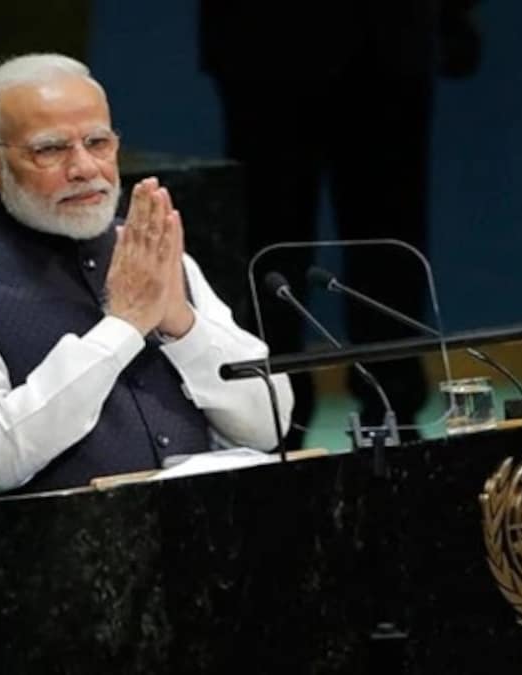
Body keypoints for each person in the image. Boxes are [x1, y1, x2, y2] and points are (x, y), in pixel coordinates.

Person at [0, 53, 293, 493]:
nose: (84, 168)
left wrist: (182, 326)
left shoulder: (146, 248)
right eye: (51, 149)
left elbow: (270, 425)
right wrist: (122, 327)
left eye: (98, 143)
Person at [200, 1, 480, 445]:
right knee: (271, 249)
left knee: (390, 249)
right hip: (263, 45)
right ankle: (273, 423)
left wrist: (455, 13)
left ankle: (394, 415)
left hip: (389, 43)